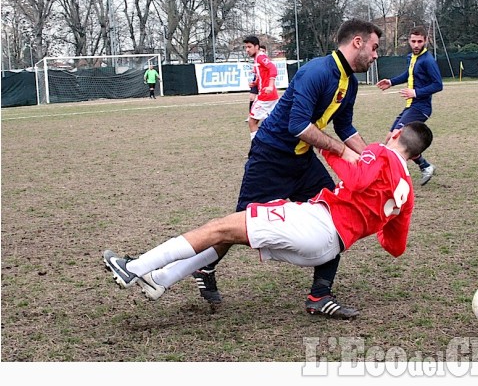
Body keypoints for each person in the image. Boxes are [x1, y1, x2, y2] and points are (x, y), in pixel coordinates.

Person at [103, 122, 433, 312]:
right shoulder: (408, 192)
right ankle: (159, 280)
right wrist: (372, 223)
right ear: (416, 156)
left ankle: (133, 269)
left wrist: (329, 148)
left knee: (218, 228)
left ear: (397, 132)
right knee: (228, 234)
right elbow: (396, 246)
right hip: (328, 246)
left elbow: (359, 178)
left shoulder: (380, 152)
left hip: (316, 225)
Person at [192, 18, 383, 319]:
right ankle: (204, 266)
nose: (375, 55)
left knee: (337, 214)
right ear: (357, 42)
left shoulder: (351, 83)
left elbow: (345, 126)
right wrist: (344, 152)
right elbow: (298, 126)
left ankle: (320, 295)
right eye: (374, 48)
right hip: (271, 156)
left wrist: (376, 158)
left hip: (302, 161)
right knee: (238, 226)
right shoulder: (316, 72)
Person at [376, 26, 443, 186]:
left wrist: (416, 93)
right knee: (390, 138)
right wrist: (391, 82)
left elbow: (438, 85)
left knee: (395, 140)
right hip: (411, 106)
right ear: (409, 41)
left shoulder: (428, 60)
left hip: (421, 108)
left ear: (426, 41)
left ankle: (388, 179)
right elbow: (408, 74)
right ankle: (425, 166)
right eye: (413, 41)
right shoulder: (411, 58)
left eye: (420, 41)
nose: (416, 45)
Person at [244, 37, 278, 140]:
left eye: (249, 47)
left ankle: (257, 150)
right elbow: (262, 75)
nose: (247, 50)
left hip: (265, 96)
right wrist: (254, 83)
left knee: (252, 121)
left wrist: (271, 85)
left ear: (257, 47)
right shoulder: (257, 58)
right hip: (269, 96)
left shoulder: (260, 57)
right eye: (245, 47)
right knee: (272, 123)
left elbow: (273, 68)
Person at [246, 45, 266, 122]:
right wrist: (254, 82)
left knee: (265, 100)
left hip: (264, 82)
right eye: (260, 51)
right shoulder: (256, 59)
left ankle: (266, 116)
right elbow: (256, 69)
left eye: (263, 51)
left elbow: (272, 70)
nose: (261, 52)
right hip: (257, 80)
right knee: (252, 97)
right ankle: (250, 115)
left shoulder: (265, 61)